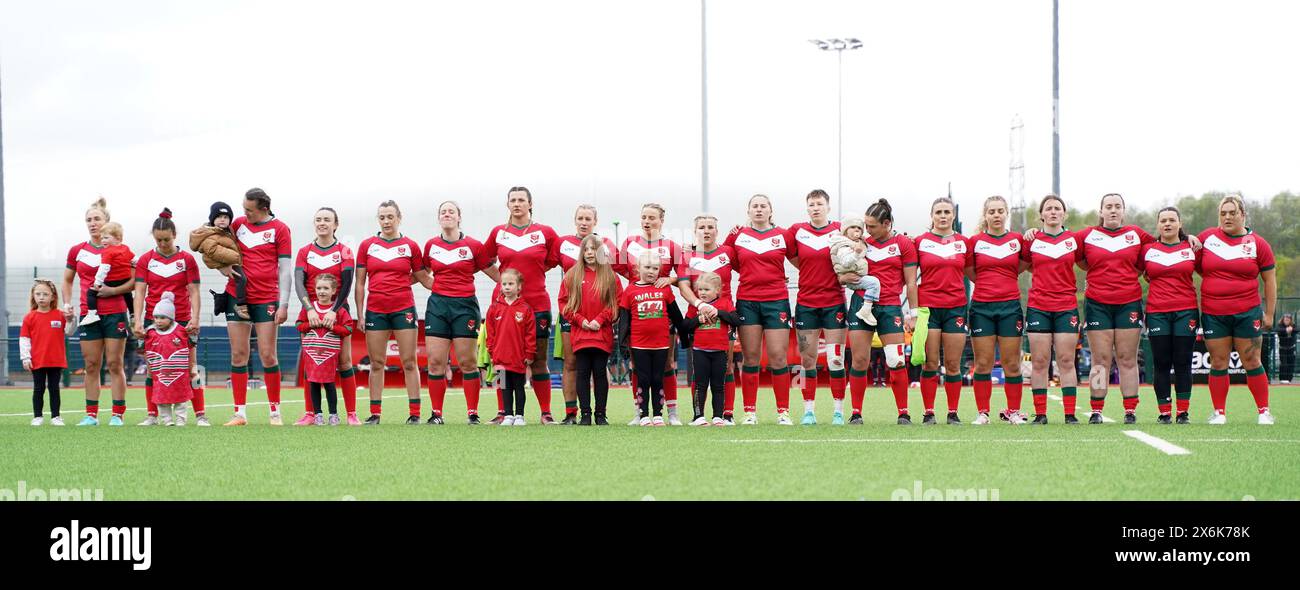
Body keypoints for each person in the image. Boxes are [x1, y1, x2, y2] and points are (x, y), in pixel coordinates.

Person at [1069, 193, 1155, 424]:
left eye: (1118, 206)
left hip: (1129, 304)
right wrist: (1034, 233)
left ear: (1124, 211)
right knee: (1100, 360)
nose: (1113, 210)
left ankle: (1130, 410)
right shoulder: (1087, 236)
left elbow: (1164, 241)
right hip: (1098, 305)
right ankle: (1097, 410)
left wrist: (1191, 238)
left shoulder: (1136, 234)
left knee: (1127, 359)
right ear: (1101, 212)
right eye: (1109, 207)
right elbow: (1069, 249)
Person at [484, 187, 562, 425]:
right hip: (502, 307)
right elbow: (484, 260)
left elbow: (554, 259)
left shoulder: (545, 232)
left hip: (536, 304)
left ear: (530, 204)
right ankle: (502, 411)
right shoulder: (498, 232)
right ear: (507, 204)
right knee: (501, 362)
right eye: (512, 200)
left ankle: (545, 412)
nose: (517, 204)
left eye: (521, 200)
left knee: (538, 359)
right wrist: (504, 282)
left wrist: (533, 274)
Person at [217, 188, 293, 426]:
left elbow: (284, 270)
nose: (244, 214)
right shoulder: (238, 224)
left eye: (249, 210)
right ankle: (240, 413)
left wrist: (284, 304)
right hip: (236, 296)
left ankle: (275, 412)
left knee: (268, 355)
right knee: (239, 354)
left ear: (264, 208)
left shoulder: (280, 229)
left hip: (266, 299)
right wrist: (223, 270)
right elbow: (214, 249)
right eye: (243, 209)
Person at [1198, 195, 1277, 424]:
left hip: (1248, 312)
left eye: (1232, 212)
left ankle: (1264, 412)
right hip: (1214, 313)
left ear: (1243, 214)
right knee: (1218, 361)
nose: (1228, 217)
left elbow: (1269, 281)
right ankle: (1219, 413)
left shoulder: (1258, 244)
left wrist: (1269, 313)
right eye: (1223, 213)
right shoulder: (1206, 239)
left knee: (1252, 360)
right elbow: (1193, 265)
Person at [842, 199, 919, 424]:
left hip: (890, 307)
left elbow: (911, 282)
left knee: (896, 359)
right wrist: (842, 278)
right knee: (859, 360)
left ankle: (903, 412)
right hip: (860, 304)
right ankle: (856, 413)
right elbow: (842, 267)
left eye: (872, 226)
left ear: (887, 224)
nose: (867, 230)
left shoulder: (903, 244)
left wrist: (913, 314)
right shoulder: (859, 242)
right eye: (865, 225)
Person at [421, 201, 498, 425]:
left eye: (451, 211)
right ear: (439, 217)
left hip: (465, 307)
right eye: (443, 212)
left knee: (467, 362)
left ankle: (472, 413)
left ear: (458, 217)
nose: (447, 214)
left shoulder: (473, 245)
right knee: (436, 361)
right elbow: (422, 274)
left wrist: (513, 288)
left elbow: (493, 272)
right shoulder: (431, 245)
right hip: (437, 306)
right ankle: (436, 414)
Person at [355, 200, 431, 425]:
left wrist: (453, 286)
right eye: (382, 217)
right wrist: (360, 314)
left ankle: (415, 413)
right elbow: (360, 283)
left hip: (403, 309)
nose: (386, 221)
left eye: (390, 216)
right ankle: (375, 414)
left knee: (409, 362)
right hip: (376, 310)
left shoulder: (410, 246)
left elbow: (423, 276)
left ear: (399, 218)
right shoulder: (367, 245)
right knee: (377, 363)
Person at [725, 194, 795, 425]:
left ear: (770, 211)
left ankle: (783, 412)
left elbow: (800, 260)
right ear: (748, 211)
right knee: (751, 357)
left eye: (763, 206)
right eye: (754, 206)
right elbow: (728, 261)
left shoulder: (784, 235)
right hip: (747, 301)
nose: (758, 210)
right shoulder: (737, 235)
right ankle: (749, 412)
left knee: (778, 357)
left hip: (776, 301)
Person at [63, 197, 133, 426]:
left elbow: (135, 282)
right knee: (91, 364)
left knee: (115, 363)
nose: (92, 223)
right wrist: (67, 304)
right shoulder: (77, 250)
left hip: (115, 312)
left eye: (97, 219)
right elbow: (67, 281)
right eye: (89, 220)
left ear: (107, 221)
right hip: (88, 313)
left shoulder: (120, 249)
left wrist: (113, 291)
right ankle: (91, 415)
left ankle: (117, 414)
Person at [133, 209, 206, 426]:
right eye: (159, 239)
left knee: (190, 368)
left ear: (175, 234)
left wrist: (195, 318)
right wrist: (137, 321)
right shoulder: (146, 260)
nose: (163, 243)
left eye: (167, 239)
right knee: (154, 370)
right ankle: (152, 415)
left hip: (182, 321)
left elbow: (194, 291)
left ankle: (201, 415)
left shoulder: (187, 260)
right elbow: (140, 292)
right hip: (153, 322)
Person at [786, 190, 852, 425]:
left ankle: (838, 411)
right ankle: (808, 411)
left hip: (834, 303)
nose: (815, 208)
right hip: (806, 304)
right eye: (811, 204)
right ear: (807, 208)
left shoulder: (839, 229)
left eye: (819, 204)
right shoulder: (796, 231)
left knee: (835, 359)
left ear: (828, 206)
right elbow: (793, 258)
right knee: (807, 360)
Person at [616, 203, 685, 424]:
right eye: (644, 217)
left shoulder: (672, 246)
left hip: (662, 313)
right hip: (638, 313)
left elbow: (683, 274)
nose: (647, 221)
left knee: (666, 365)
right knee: (639, 366)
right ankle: (640, 412)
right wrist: (636, 282)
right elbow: (619, 267)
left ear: (661, 220)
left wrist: (671, 279)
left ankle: (671, 412)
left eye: (652, 218)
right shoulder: (630, 243)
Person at [292, 207, 361, 425]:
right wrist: (309, 309)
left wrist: (334, 310)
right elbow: (299, 283)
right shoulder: (304, 251)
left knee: (344, 362)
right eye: (318, 219)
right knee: (311, 361)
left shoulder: (345, 251)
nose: (322, 223)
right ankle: (311, 413)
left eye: (327, 220)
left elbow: (348, 283)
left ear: (335, 224)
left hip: (338, 312)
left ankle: (351, 413)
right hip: (311, 313)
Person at [965, 196, 1028, 425]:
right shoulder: (975, 241)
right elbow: (971, 272)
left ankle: (1013, 412)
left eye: (1000, 211)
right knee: (983, 363)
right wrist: (988, 286)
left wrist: (1005, 280)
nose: (996, 215)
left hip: (1010, 307)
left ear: (1006, 213)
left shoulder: (1017, 240)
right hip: (982, 308)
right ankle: (983, 413)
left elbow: (1021, 266)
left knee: (1012, 363)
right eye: (992, 211)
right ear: (986, 215)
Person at [1022, 195, 1082, 424]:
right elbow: (1025, 266)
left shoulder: (1074, 240)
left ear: (1064, 214)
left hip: (1066, 307)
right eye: (1049, 208)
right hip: (1039, 307)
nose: (1054, 212)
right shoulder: (1031, 240)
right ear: (1042, 215)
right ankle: (1040, 414)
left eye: (1058, 208)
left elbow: (1087, 262)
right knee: (1039, 361)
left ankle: (1070, 414)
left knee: (1066, 360)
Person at [555, 205, 618, 424]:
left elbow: (615, 301)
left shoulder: (609, 274)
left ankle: (601, 414)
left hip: (601, 332)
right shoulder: (572, 274)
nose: (590, 253)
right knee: (579, 370)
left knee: (600, 372)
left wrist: (600, 320)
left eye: (588, 218)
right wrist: (581, 321)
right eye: (580, 218)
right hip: (579, 332)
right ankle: (582, 414)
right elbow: (564, 302)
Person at [913, 197, 970, 425]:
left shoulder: (965, 242)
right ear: (932, 216)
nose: (943, 216)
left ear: (953, 216)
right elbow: (908, 276)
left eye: (947, 212)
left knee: (954, 364)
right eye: (939, 212)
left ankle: (953, 412)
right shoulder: (920, 242)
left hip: (956, 307)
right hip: (929, 309)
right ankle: (928, 412)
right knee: (930, 362)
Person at [676, 214, 738, 423]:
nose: (706, 230)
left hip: (724, 316)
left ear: (716, 231)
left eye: (710, 227)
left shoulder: (728, 252)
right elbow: (683, 285)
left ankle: (726, 414)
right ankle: (698, 415)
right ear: (695, 231)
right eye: (701, 227)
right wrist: (699, 305)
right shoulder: (687, 256)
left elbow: (750, 267)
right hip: (697, 313)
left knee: (727, 365)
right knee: (699, 371)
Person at [1141, 206, 1199, 424]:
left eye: (1172, 220)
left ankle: (1183, 412)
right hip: (1157, 312)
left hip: (1186, 311)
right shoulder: (1147, 250)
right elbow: (1133, 271)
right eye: (1163, 220)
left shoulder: (1192, 247)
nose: (1167, 224)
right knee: (1162, 362)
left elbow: (1209, 271)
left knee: (1183, 362)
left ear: (1180, 224)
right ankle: (1164, 412)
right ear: (1157, 225)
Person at [680, 272, 742, 426]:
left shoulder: (725, 303)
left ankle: (717, 416)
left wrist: (719, 313)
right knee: (700, 384)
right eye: (700, 290)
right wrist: (698, 320)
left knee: (718, 385)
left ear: (717, 290)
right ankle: (698, 416)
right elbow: (684, 327)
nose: (702, 293)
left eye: (706, 290)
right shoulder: (694, 306)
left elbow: (736, 320)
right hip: (700, 351)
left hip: (720, 352)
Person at [296, 274, 355, 426]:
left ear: (334, 291)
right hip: (311, 354)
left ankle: (333, 415)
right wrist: (310, 324)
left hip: (329, 354)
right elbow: (299, 325)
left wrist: (333, 327)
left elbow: (348, 328)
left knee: (329, 383)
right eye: (319, 288)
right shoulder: (310, 309)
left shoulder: (339, 310)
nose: (322, 291)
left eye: (326, 288)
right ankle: (317, 414)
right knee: (313, 383)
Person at [486, 269, 537, 426]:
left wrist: (529, 353)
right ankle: (508, 415)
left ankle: (519, 415)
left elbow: (530, 333)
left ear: (519, 286)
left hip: (518, 357)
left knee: (518, 386)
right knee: (504, 387)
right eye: (504, 284)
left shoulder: (526, 309)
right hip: (500, 356)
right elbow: (490, 332)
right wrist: (491, 351)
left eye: (511, 284)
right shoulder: (494, 308)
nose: (507, 287)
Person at [22, 279, 75, 426]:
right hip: (37, 360)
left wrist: (71, 319)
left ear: (52, 296)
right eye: (38, 294)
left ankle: (56, 417)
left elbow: (69, 332)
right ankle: (37, 416)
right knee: (38, 388)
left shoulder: (60, 315)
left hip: (56, 360)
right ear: (33, 296)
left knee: (54, 388)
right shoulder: (29, 317)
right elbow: (24, 339)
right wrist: (25, 357)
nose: (41, 297)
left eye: (45, 294)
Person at [189, 201, 249, 319]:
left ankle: (221, 300)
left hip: (230, 262)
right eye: (219, 217)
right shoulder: (210, 234)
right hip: (231, 261)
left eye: (226, 217)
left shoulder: (226, 231)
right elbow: (210, 251)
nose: (222, 220)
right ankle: (241, 305)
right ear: (212, 219)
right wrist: (235, 257)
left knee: (240, 281)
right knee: (242, 279)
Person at [143, 292, 196, 426]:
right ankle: (167, 420)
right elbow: (144, 346)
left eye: (162, 317)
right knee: (162, 400)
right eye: (156, 317)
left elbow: (191, 342)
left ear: (171, 318)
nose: (158, 321)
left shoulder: (181, 331)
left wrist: (193, 336)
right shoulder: (150, 333)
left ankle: (181, 419)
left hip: (180, 375)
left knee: (180, 399)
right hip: (160, 375)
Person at [79, 222, 135, 327]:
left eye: (106, 238)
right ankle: (132, 313)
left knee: (91, 293)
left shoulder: (107, 251)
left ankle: (92, 313)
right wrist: (138, 264)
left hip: (112, 281)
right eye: (102, 238)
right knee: (127, 294)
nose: (103, 240)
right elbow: (134, 259)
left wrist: (98, 282)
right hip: (125, 279)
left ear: (118, 238)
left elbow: (104, 268)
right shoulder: (125, 248)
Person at [829, 218, 881, 322]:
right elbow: (845, 262)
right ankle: (866, 310)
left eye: (859, 228)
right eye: (852, 227)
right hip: (852, 277)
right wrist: (856, 253)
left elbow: (876, 238)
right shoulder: (843, 245)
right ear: (845, 230)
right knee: (874, 283)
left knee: (873, 283)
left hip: (857, 275)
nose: (856, 230)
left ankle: (866, 309)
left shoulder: (857, 242)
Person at [1278, 314, 1296, 384]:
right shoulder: (1280, 326)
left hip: (1291, 348)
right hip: (1283, 348)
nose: (1287, 320)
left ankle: (1289, 379)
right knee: (1284, 363)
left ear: (1290, 320)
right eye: (1286, 319)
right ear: (1283, 319)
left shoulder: (1293, 326)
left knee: (1291, 363)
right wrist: (1286, 330)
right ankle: (1282, 379)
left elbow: (1297, 329)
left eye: (1288, 319)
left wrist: (1291, 329)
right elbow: (1277, 330)